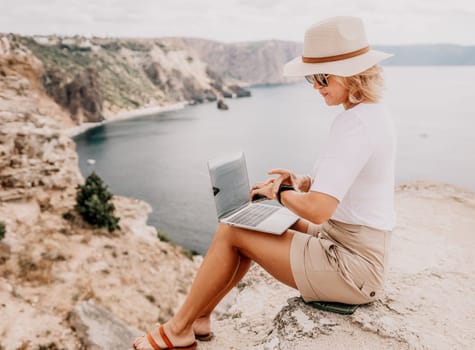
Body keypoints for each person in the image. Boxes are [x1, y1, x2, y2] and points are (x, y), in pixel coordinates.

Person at [133, 16, 396, 350]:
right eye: (310, 78)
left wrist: (280, 192)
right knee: (247, 224)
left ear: (349, 72)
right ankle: (199, 318)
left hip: (350, 267)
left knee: (234, 231)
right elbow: (347, 185)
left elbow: (318, 210)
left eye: (320, 77)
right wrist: (303, 183)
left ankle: (178, 329)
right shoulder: (371, 114)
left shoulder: (354, 125)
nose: (315, 86)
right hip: (351, 244)